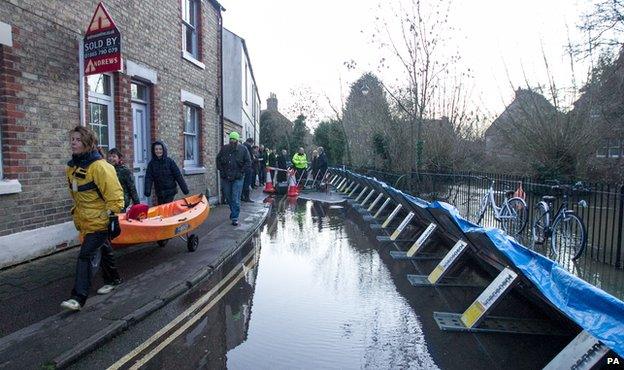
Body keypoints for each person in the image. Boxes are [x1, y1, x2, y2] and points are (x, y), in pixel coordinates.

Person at [61, 126, 125, 311]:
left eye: (78, 140)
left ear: (88, 143)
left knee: (85, 255)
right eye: (72, 139)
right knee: (104, 248)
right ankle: (113, 279)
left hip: (100, 220)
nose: (73, 142)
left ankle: (78, 298)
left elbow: (114, 194)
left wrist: (112, 216)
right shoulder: (72, 168)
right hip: (85, 219)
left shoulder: (100, 167)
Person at [217, 132, 251, 226]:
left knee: (235, 197)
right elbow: (218, 160)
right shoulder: (224, 148)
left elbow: (248, 162)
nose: (232, 141)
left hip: (238, 178)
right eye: (231, 139)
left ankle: (235, 217)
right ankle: (233, 212)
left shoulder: (243, 149)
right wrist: (222, 172)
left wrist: (241, 172)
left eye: (234, 139)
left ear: (237, 140)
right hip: (226, 177)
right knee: (228, 196)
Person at [144, 141, 189, 205]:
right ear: (153, 151)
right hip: (159, 192)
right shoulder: (151, 164)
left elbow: (178, 176)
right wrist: (147, 190)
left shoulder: (170, 162)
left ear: (163, 150)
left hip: (170, 192)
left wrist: (185, 189)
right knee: (162, 208)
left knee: (167, 208)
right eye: (156, 149)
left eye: (160, 149)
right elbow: (148, 178)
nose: (158, 151)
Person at [241, 138, 255, 202]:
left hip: (242, 167)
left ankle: (242, 196)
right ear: (251, 142)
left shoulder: (241, 146)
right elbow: (251, 157)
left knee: (242, 182)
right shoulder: (248, 147)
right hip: (248, 167)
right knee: (247, 182)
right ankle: (247, 198)